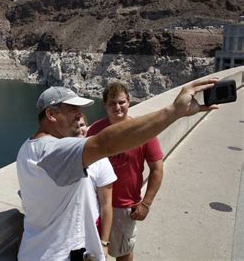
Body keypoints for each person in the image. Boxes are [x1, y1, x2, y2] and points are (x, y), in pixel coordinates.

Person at [16, 78, 218, 261]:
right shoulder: (55, 150)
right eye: (72, 110)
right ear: (51, 114)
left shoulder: (26, 149)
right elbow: (106, 142)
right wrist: (174, 111)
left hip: (33, 251)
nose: (80, 116)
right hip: (61, 255)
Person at [87, 82, 164, 261]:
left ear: (129, 102)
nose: (117, 107)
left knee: (123, 252)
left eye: (121, 102)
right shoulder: (96, 130)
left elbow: (157, 170)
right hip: (96, 203)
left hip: (124, 206)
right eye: (112, 103)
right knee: (94, 251)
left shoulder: (143, 130)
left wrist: (146, 203)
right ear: (104, 105)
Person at [78, 114, 116, 259]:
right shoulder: (57, 154)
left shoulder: (99, 159)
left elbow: (106, 204)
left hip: (90, 231)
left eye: (82, 125)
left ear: (87, 128)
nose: (79, 129)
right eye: (75, 125)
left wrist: (104, 243)